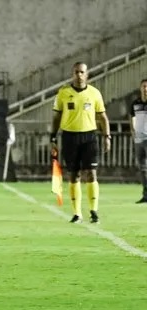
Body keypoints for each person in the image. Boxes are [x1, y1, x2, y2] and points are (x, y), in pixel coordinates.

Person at [50, 62, 111, 223]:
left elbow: (102, 117)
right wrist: (53, 137)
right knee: (74, 175)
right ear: (72, 74)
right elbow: (56, 117)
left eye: (82, 72)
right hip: (69, 137)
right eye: (76, 72)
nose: (79, 75)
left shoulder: (94, 93)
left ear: (87, 74)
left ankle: (94, 210)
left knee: (91, 173)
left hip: (89, 137)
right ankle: (77, 213)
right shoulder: (63, 93)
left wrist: (107, 137)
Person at [129, 78, 147, 203]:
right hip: (139, 139)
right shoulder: (135, 103)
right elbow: (131, 117)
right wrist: (132, 132)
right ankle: (145, 194)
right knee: (142, 168)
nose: (145, 89)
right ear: (140, 88)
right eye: (143, 86)